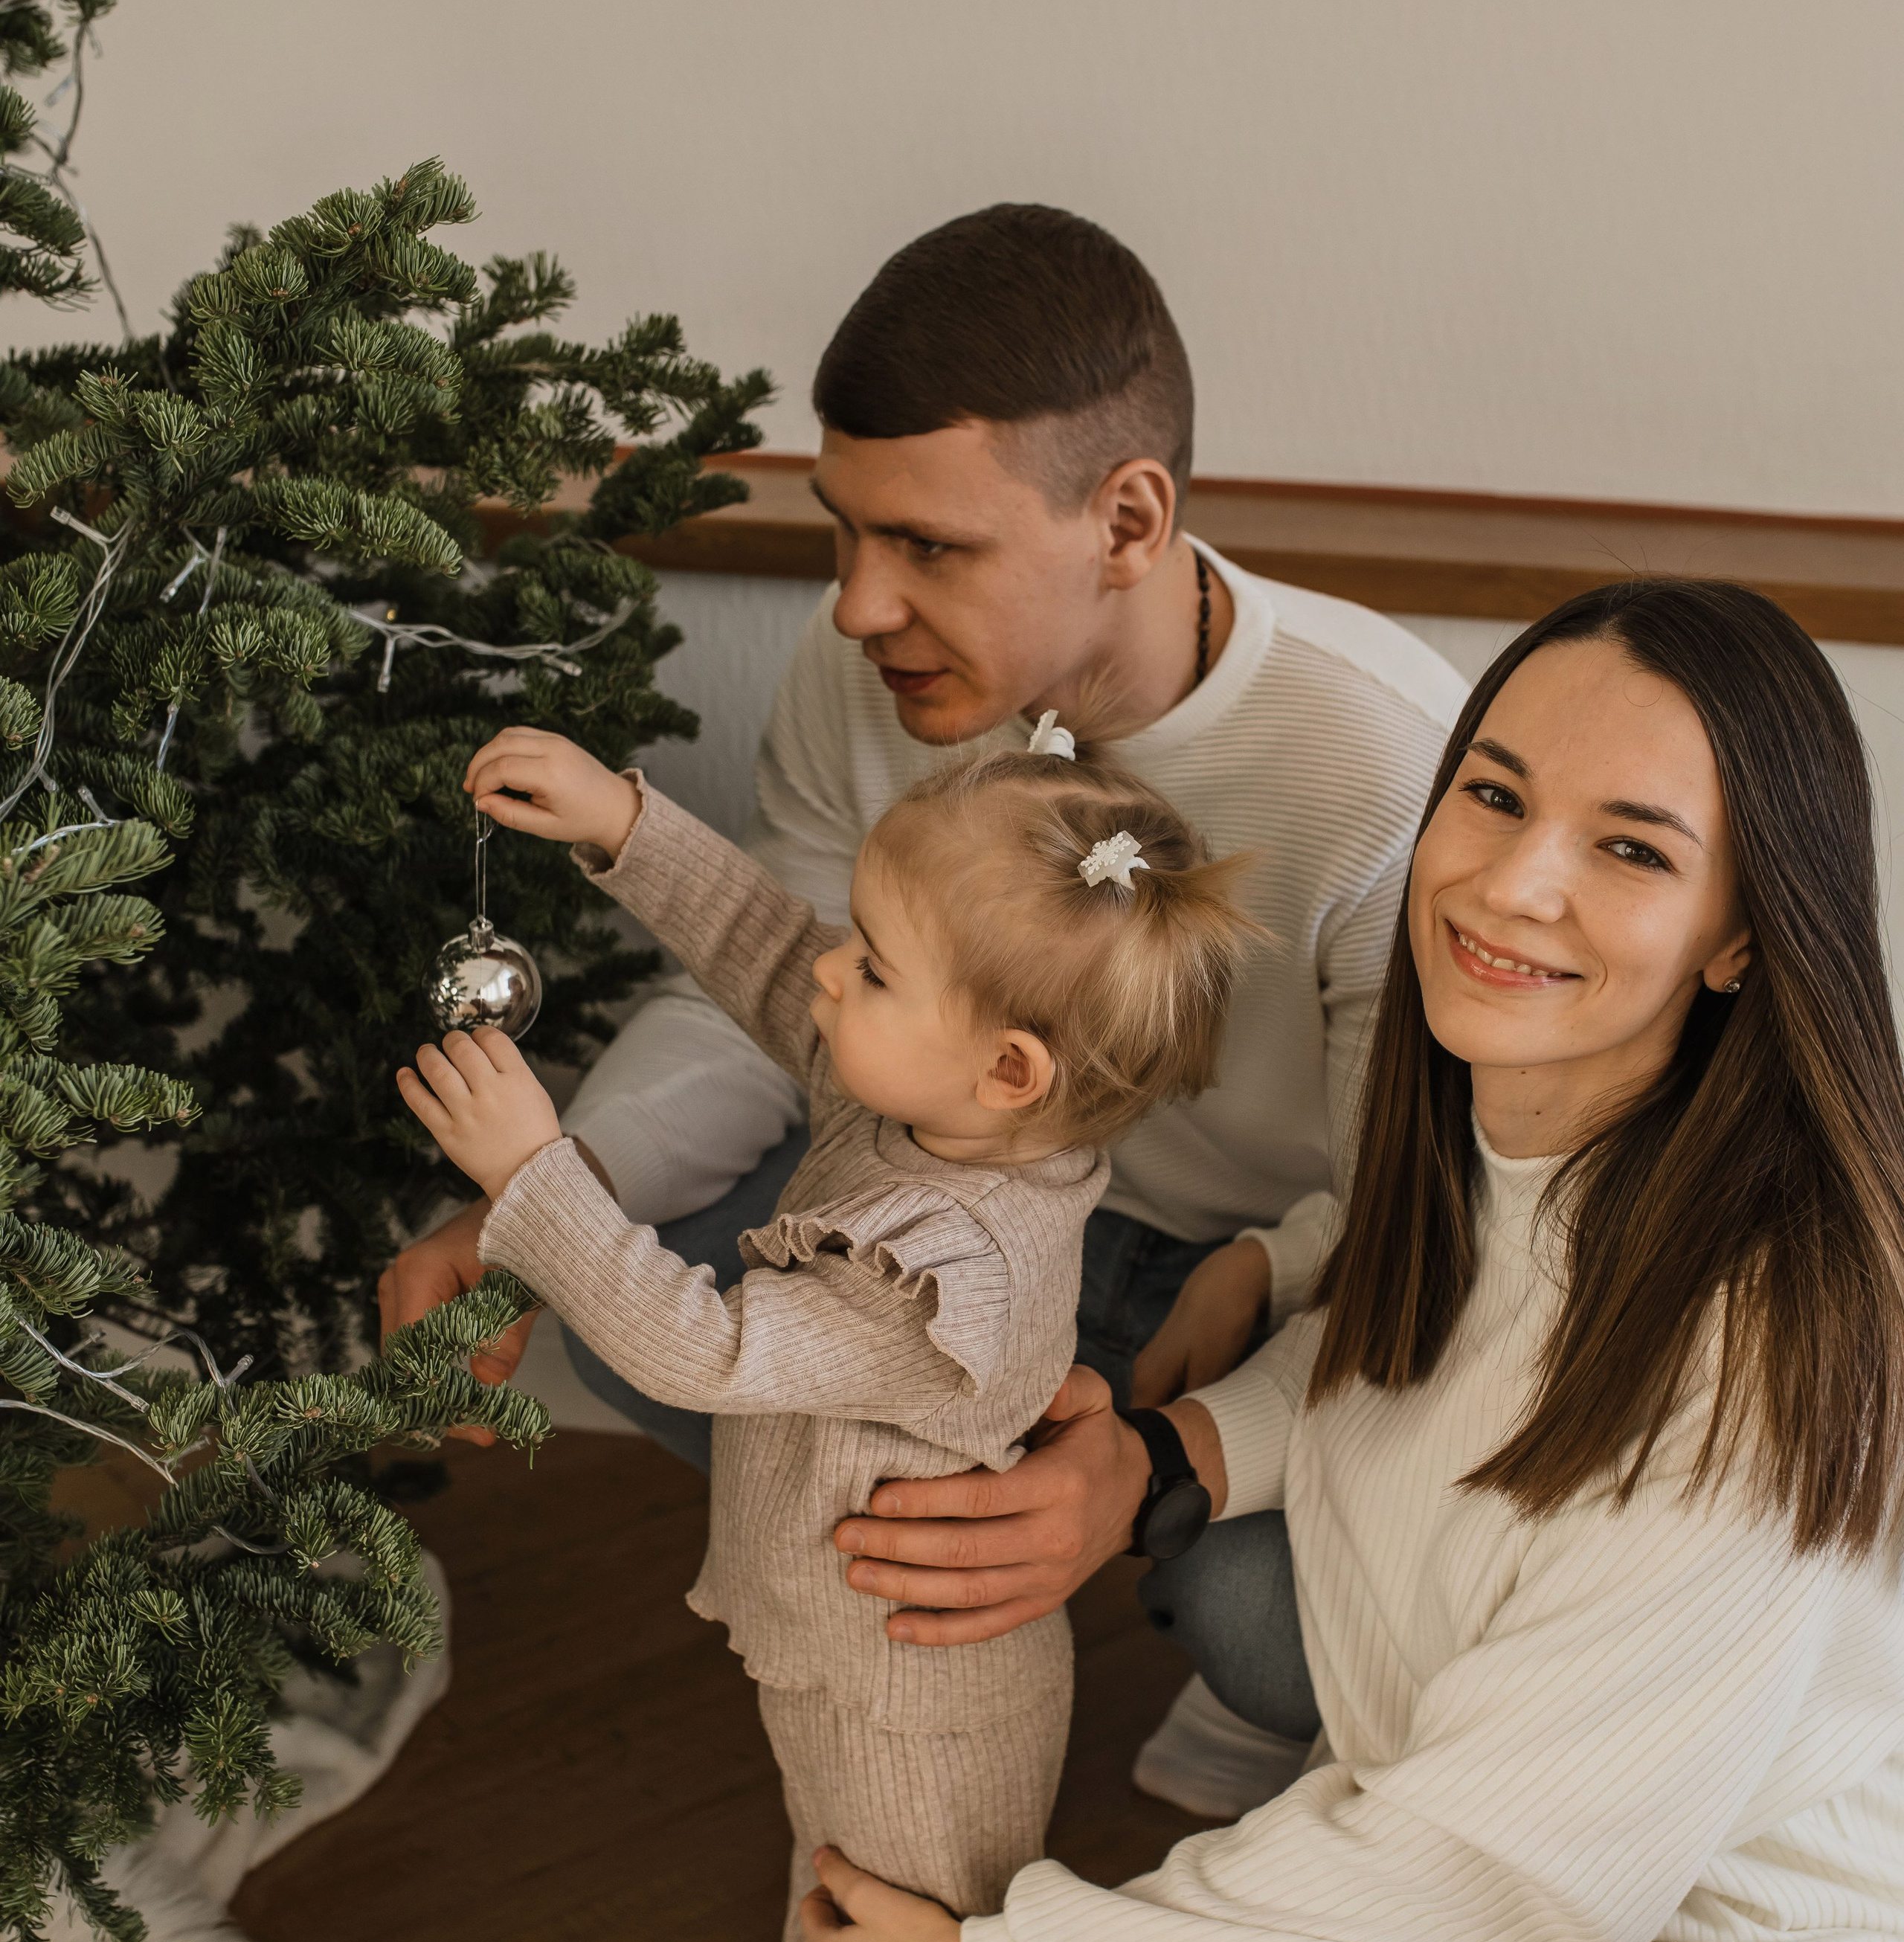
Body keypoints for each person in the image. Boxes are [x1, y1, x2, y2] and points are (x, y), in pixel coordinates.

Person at [800, 579, 1904, 1942]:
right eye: (1491, 796)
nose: (1514, 883)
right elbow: (1430, 1372)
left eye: (1627, 848)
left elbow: (1524, 1862)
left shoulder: (1790, 1301)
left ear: (1738, 934)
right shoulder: (1474, 1130)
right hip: (1411, 1904)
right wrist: (1172, 1453)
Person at [377, 202, 1469, 1817]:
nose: (852, 607)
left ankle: (1173, 1607)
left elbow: (1430, 1246)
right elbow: (776, 986)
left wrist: (1157, 1460)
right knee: (648, 1307)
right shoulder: (878, 671)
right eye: (843, 530)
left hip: (1267, 1294)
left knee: (1268, 1626)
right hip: (961, 1217)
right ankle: (905, 1576)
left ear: (1126, 517)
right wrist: (569, 1189)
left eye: (928, 548)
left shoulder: (1383, 772)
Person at [395, 718, 1255, 1942]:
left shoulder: (951, 1275)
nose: (829, 976)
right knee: (825, 1843)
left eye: (872, 965)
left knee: (934, 1938)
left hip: (928, 1677)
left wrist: (537, 1178)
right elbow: (762, 947)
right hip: (831, 1627)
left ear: (1006, 1068)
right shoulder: (918, 1094)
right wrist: (622, 822)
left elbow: (699, 1349)